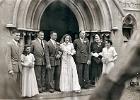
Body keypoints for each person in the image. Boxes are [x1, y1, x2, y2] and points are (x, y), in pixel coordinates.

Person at [89, 30, 140, 100]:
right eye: (106, 43)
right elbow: (103, 55)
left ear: (110, 44)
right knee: (104, 74)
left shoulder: (112, 48)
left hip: (110, 63)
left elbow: (115, 56)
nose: (106, 44)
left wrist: (112, 61)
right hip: (105, 64)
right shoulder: (103, 49)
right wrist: (103, 59)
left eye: (107, 43)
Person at [7, 29, 22, 98]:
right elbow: (8, 58)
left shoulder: (18, 44)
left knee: (18, 85)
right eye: (17, 35)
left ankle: (17, 97)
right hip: (13, 67)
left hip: (19, 68)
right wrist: (10, 69)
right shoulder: (9, 44)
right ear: (12, 35)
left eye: (19, 35)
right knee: (12, 85)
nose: (18, 37)